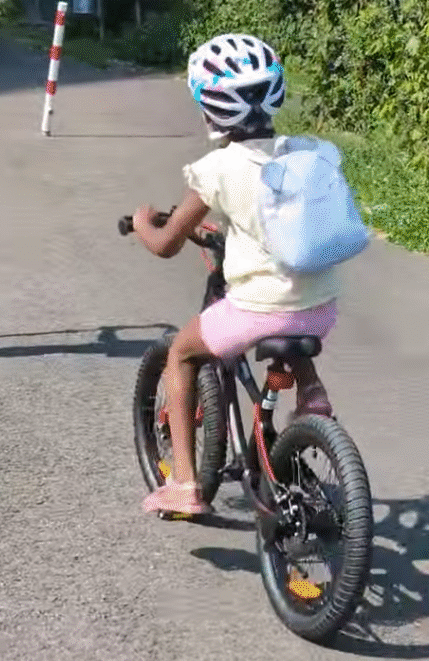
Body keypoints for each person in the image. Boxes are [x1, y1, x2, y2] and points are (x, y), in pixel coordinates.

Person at [131, 33, 339, 517]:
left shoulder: (220, 168)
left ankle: (185, 484)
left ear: (210, 110)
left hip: (259, 311)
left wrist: (142, 222)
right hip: (322, 306)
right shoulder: (304, 152)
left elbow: (166, 245)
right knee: (292, 304)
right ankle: (312, 394)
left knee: (182, 353)